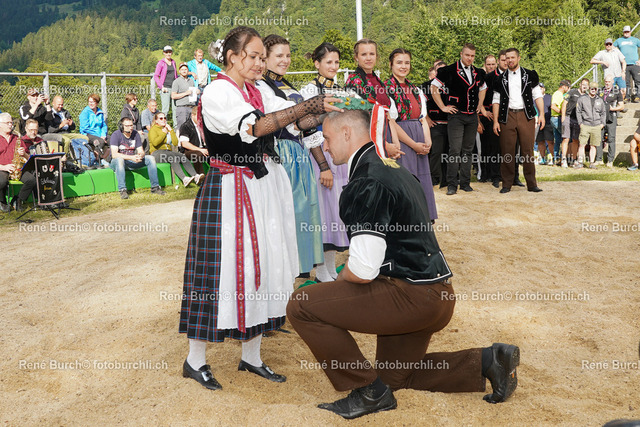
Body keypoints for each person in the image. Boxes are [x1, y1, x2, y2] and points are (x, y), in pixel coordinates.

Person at [287, 110, 520, 420]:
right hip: (437, 294)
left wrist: (335, 282)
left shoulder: (366, 180)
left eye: (327, 139)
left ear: (346, 133)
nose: (325, 147)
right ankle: (489, 361)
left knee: (301, 303)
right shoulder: (394, 167)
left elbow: (363, 270)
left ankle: (368, 393)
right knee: (393, 377)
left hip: (411, 297)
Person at [179, 26, 340, 390]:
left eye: (261, 58)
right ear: (232, 57)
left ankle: (251, 356)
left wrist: (329, 108)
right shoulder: (219, 91)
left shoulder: (259, 89)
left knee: (262, 266)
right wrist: (307, 106)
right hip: (230, 189)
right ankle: (194, 359)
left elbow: (292, 119)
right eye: (252, 56)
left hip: (261, 187)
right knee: (216, 272)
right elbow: (255, 126)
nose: (259, 63)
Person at [258, 34, 324, 277]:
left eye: (288, 55)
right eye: (279, 56)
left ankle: (301, 267)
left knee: (304, 209)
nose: (285, 60)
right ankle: (285, 270)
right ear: (265, 58)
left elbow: (302, 123)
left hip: (298, 152)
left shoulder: (287, 85)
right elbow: (274, 121)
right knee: (288, 211)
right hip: (281, 152)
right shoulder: (261, 86)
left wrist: (326, 113)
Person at [300, 42, 350, 283]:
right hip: (320, 155)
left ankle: (329, 268)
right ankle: (320, 270)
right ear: (317, 63)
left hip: (339, 156)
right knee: (322, 213)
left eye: (337, 62)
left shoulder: (341, 90)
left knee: (336, 213)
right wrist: (323, 166)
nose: (333, 66)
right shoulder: (309, 91)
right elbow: (308, 129)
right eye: (328, 62)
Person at [384, 48, 437, 220]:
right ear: (391, 64)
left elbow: (423, 118)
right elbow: (391, 121)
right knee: (406, 180)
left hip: (420, 138)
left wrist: (427, 141)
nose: (403, 66)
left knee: (421, 179)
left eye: (407, 62)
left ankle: (422, 218)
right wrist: (414, 145)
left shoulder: (415, 89)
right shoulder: (386, 88)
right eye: (399, 62)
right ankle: (407, 222)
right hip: (401, 139)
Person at [431, 43, 489, 195]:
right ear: (461, 54)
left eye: (472, 56)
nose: (470, 58)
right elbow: (434, 87)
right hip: (456, 116)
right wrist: (443, 107)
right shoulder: (448, 70)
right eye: (467, 55)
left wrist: (480, 104)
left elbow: (483, 88)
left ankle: (465, 183)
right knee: (455, 150)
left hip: (472, 116)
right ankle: (452, 184)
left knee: (468, 151)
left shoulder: (478, 72)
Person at [492, 48, 544, 193]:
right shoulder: (499, 79)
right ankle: (506, 184)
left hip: (526, 116)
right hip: (507, 116)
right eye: (507, 58)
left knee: (527, 151)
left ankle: (532, 184)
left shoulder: (530, 74)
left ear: (518, 58)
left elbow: (537, 95)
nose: (509, 60)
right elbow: (496, 100)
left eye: (512, 57)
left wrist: (541, 114)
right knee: (507, 151)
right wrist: (495, 121)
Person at [345, 39, 402, 161]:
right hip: (369, 141)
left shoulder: (379, 82)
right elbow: (359, 121)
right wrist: (384, 146)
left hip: (387, 137)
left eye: (372, 54)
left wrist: (396, 143)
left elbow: (389, 116)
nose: (368, 58)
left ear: (377, 56)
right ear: (356, 57)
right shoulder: (354, 81)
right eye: (363, 54)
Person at [109, 117, 166, 199]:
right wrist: (131, 157)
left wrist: (140, 155)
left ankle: (155, 188)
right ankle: (122, 190)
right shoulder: (116, 135)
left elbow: (141, 150)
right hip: (117, 162)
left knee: (150, 158)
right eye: (127, 126)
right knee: (119, 160)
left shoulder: (135, 134)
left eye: (131, 125)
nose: (130, 128)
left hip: (131, 161)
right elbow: (114, 155)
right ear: (121, 127)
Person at [148, 112, 202, 187]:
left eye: (165, 118)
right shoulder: (153, 129)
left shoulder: (167, 129)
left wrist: (171, 130)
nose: (163, 120)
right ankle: (184, 179)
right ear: (156, 120)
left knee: (182, 156)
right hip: (156, 153)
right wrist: (163, 133)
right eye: (161, 118)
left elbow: (175, 143)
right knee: (172, 157)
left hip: (167, 152)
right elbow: (155, 143)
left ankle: (195, 176)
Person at [423, 60, 449, 188]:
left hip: (451, 124)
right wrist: (427, 118)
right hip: (435, 124)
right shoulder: (426, 86)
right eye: (439, 70)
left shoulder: (452, 84)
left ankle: (447, 179)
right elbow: (421, 104)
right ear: (435, 71)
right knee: (436, 152)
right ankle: (434, 178)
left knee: (449, 153)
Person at [478, 53, 501, 187]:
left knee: (495, 147)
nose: (491, 66)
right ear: (485, 65)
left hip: (496, 116)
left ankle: (495, 175)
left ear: (496, 64)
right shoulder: (481, 79)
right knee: (484, 148)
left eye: (493, 64)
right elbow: (476, 98)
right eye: (488, 64)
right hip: (484, 116)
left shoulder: (499, 78)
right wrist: (483, 112)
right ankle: (484, 174)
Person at [0, 113, 30, 212]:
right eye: (7, 123)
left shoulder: (17, 138)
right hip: (2, 168)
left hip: (17, 169)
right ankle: (2, 201)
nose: (10, 125)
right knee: (1, 181)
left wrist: (24, 153)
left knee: (31, 180)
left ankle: (18, 200)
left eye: (11, 123)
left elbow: (28, 157)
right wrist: (4, 167)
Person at [575, 81, 606, 168]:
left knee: (593, 145)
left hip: (596, 125)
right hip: (585, 124)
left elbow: (603, 113)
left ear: (597, 89)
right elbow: (578, 111)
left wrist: (602, 124)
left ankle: (592, 163)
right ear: (589, 89)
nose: (593, 90)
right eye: (592, 88)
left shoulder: (600, 100)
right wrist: (580, 123)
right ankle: (580, 162)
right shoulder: (582, 99)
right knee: (582, 144)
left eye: (595, 89)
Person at [597, 75, 624, 167]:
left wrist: (613, 109)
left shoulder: (617, 91)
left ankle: (610, 160)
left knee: (611, 138)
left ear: (612, 82)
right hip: (600, 118)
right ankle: (599, 159)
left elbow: (622, 106)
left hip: (611, 117)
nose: (607, 83)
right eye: (606, 82)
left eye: (609, 82)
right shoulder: (600, 91)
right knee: (599, 138)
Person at [562, 78, 589, 167]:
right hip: (568, 117)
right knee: (566, 138)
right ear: (580, 84)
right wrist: (563, 117)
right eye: (583, 84)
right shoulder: (572, 92)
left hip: (578, 120)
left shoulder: (587, 96)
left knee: (575, 140)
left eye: (586, 85)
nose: (584, 86)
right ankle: (563, 159)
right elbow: (564, 103)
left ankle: (574, 160)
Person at [178, 106, 208, 176]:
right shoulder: (185, 126)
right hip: (188, 151)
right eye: (198, 116)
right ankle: (201, 176)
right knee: (197, 154)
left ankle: (218, 175)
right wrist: (200, 150)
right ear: (192, 115)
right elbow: (184, 144)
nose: (200, 118)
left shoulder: (203, 125)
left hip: (202, 148)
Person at [614, 25, 640, 102]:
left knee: (638, 81)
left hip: (635, 64)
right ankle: (627, 97)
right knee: (626, 82)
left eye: (628, 31)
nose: (626, 33)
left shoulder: (635, 40)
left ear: (630, 32)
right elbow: (612, 48)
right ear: (623, 32)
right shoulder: (619, 40)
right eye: (625, 31)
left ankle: (637, 96)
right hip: (624, 65)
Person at [153, 45, 177, 125]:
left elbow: (175, 75)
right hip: (165, 88)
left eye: (170, 52)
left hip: (174, 88)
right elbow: (156, 76)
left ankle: (175, 127)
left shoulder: (173, 62)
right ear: (164, 53)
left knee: (175, 109)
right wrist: (161, 87)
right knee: (165, 109)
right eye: (166, 52)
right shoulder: (161, 63)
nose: (168, 54)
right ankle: (161, 126)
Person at [171, 62, 200, 129]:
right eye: (182, 69)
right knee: (182, 128)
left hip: (192, 107)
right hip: (182, 108)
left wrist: (197, 91)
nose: (184, 71)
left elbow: (193, 91)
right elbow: (173, 96)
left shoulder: (191, 81)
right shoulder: (176, 81)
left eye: (185, 69)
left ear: (188, 71)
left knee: (192, 129)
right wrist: (185, 93)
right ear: (179, 71)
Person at [550, 80, 569, 165]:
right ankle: (561, 157)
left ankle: (556, 158)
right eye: (567, 87)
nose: (568, 89)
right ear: (564, 86)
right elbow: (553, 106)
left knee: (557, 140)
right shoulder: (558, 94)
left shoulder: (559, 94)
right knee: (566, 138)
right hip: (557, 118)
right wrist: (562, 112)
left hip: (555, 118)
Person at [536, 83, 554, 165]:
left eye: (541, 88)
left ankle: (553, 158)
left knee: (550, 141)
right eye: (538, 88)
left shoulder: (549, 97)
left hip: (548, 122)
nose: (540, 89)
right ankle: (542, 158)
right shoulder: (535, 98)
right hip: (538, 123)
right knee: (540, 141)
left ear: (544, 89)